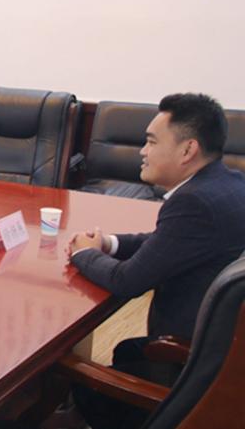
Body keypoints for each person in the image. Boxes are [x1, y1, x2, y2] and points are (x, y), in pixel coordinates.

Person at [68, 93, 245, 429]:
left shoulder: (194, 202)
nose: (142, 151)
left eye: (151, 142)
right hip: (221, 353)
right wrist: (110, 243)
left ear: (187, 150)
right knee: (127, 352)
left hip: (191, 370)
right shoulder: (229, 184)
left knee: (73, 377)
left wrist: (83, 253)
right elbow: (167, 243)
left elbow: (126, 281)